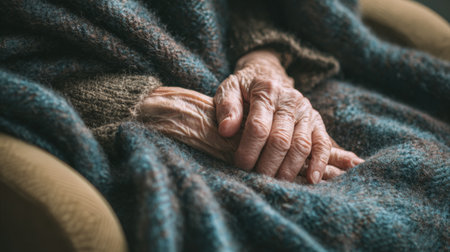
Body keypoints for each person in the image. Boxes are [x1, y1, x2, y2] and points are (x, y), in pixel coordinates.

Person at [1, 0, 448, 251]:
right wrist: (138, 103)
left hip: (268, 75)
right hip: (96, 110)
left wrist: (266, 58)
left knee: (428, 167)